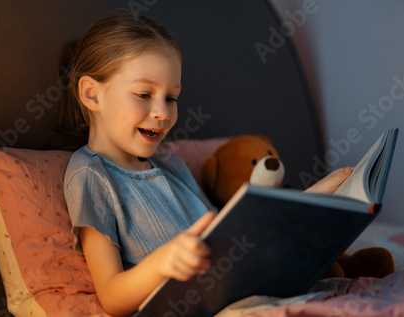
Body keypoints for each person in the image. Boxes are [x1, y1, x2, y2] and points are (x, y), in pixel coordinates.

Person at [58, 13, 352, 316]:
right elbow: (112, 296)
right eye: (144, 94)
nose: (162, 112)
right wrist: (161, 263)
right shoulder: (90, 175)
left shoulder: (173, 165)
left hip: (232, 293)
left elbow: (229, 240)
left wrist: (306, 205)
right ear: (92, 94)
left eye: (171, 98)